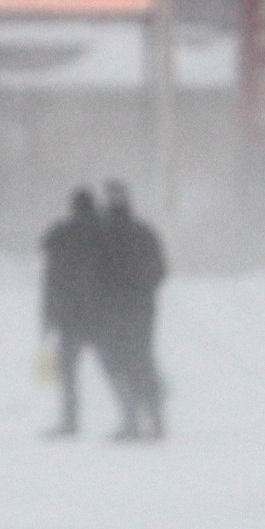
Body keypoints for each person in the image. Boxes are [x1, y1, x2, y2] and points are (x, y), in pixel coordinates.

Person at [93, 180, 168, 440]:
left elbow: (93, 274)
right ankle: (155, 415)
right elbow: (160, 270)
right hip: (142, 308)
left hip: (112, 309)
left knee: (117, 362)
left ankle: (131, 417)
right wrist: (143, 290)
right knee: (142, 360)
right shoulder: (143, 232)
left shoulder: (101, 234)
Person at [37, 187, 104, 437]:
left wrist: (47, 317)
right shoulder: (105, 233)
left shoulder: (60, 236)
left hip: (69, 316)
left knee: (68, 373)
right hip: (101, 315)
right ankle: (131, 415)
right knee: (114, 367)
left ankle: (69, 421)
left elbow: (51, 281)